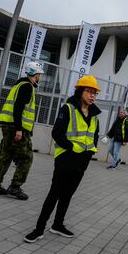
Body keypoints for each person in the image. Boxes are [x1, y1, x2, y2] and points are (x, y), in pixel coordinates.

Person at [24, 75, 101, 243]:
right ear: (80, 91)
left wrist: (89, 154)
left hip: (82, 162)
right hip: (66, 159)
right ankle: (39, 229)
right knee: (54, 194)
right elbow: (57, 133)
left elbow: (94, 136)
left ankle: (58, 224)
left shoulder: (94, 114)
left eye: (95, 93)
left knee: (68, 195)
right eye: (89, 91)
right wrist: (71, 148)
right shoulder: (68, 108)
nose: (92, 96)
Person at [0, 61, 44, 200]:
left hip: (7, 124)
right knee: (26, 158)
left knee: (6, 154)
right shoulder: (27, 87)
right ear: (35, 75)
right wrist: (19, 129)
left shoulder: (19, 84)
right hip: (16, 127)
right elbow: (18, 108)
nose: (40, 77)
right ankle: (15, 187)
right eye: (39, 74)